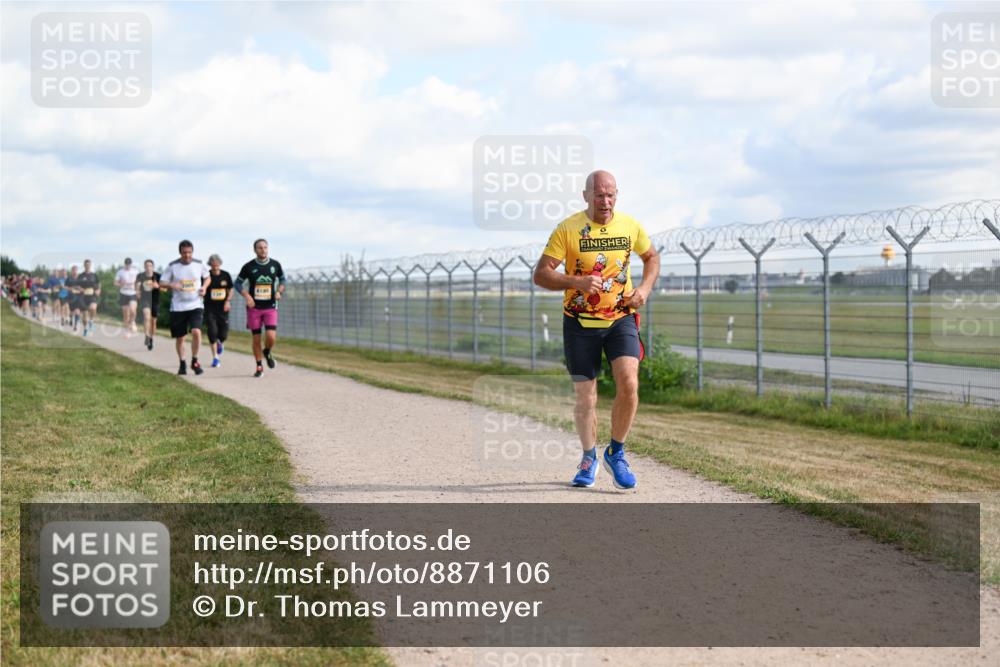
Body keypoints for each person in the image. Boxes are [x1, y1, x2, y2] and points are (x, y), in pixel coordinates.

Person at [532, 170, 660, 491]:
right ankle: (589, 457)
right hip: (579, 322)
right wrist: (576, 281)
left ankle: (616, 452)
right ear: (586, 195)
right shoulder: (569, 229)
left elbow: (651, 257)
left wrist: (644, 288)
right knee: (586, 397)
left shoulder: (630, 226)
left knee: (629, 382)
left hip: (621, 318)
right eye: (600, 195)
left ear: (617, 195)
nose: (606, 201)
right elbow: (541, 274)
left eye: (611, 194)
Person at [159, 240, 210, 375]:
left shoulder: (199, 264)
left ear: (192, 252)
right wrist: (172, 285)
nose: (187, 255)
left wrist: (204, 288)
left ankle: (195, 360)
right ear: (180, 252)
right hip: (178, 307)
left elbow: (207, 277)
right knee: (180, 338)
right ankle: (182, 363)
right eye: (184, 252)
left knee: (196, 332)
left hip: (196, 304)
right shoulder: (173, 266)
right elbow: (162, 283)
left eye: (189, 252)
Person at [236, 238, 285, 378]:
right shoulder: (248, 266)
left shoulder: (275, 264)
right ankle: (259, 366)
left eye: (265, 247)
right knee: (256, 338)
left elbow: (283, 280)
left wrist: (279, 291)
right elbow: (238, 284)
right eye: (259, 248)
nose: (263, 250)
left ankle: (267, 351)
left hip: (270, 307)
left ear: (268, 248)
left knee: (271, 336)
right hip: (254, 308)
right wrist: (247, 296)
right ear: (255, 250)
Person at [203, 254, 233, 368]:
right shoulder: (206, 276)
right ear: (210, 265)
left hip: (223, 308)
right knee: (212, 332)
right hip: (210, 308)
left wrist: (228, 301)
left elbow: (231, 289)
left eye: (217, 265)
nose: (215, 267)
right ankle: (215, 358)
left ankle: (220, 342)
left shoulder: (226, 275)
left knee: (223, 334)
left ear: (220, 264)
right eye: (213, 265)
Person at [136, 259, 161, 350]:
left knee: (153, 321)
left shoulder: (157, 276)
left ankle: (151, 338)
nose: (148, 267)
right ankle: (146, 336)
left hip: (155, 300)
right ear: (144, 267)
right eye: (146, 266)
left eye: (150, 266)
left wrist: (157, 286)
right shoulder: (141, 276)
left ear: (153, 267)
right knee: (147, 317)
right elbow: (138, 285)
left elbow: (163, 287)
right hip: (145, 299)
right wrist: (138, 292)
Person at [115, 257, 140, 336]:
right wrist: (120, 284)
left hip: (132, 293)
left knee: (133, 310)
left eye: (129, 264)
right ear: (124, 264)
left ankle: (132, 322)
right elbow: (115, 282)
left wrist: (138, 290)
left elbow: (139, 282)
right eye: (126, 264)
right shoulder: (120, 272)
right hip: (123, 293)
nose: (128, 266)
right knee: (126, 314)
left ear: (131, 264)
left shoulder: (135, 271)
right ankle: (127, 330)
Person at [77, 259, 101, 337]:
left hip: (92, 295)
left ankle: (91, 321)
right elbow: (77, 285)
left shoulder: (94, 275)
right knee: (84, 316)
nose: (87, 266)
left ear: (90, 265)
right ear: (84, 265)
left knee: (93, 308)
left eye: (89, 265)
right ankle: (85, 329)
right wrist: (80, 288)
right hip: (83, 296)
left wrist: (98, 290)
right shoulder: (81, 275)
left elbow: (99, 283)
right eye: (86, 265)